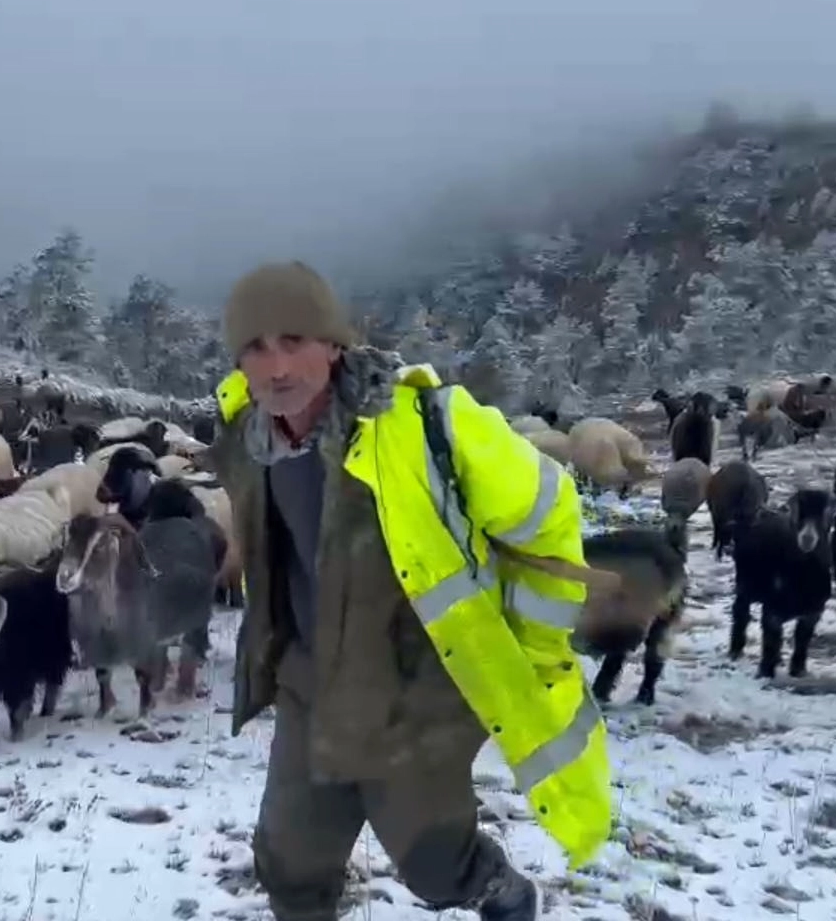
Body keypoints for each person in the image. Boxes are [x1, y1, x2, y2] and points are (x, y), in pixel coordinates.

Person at [208, 262, 613, 921]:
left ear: (334, 344)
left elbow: (549, 514)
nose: (277, 366)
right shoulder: (245, 439)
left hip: (415, 693)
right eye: (255, 347)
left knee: (432, 861)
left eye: (295, 341)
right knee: (289, 862)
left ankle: (502, 894)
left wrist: (535, 641)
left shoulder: (428, 423)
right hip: (309, 686)